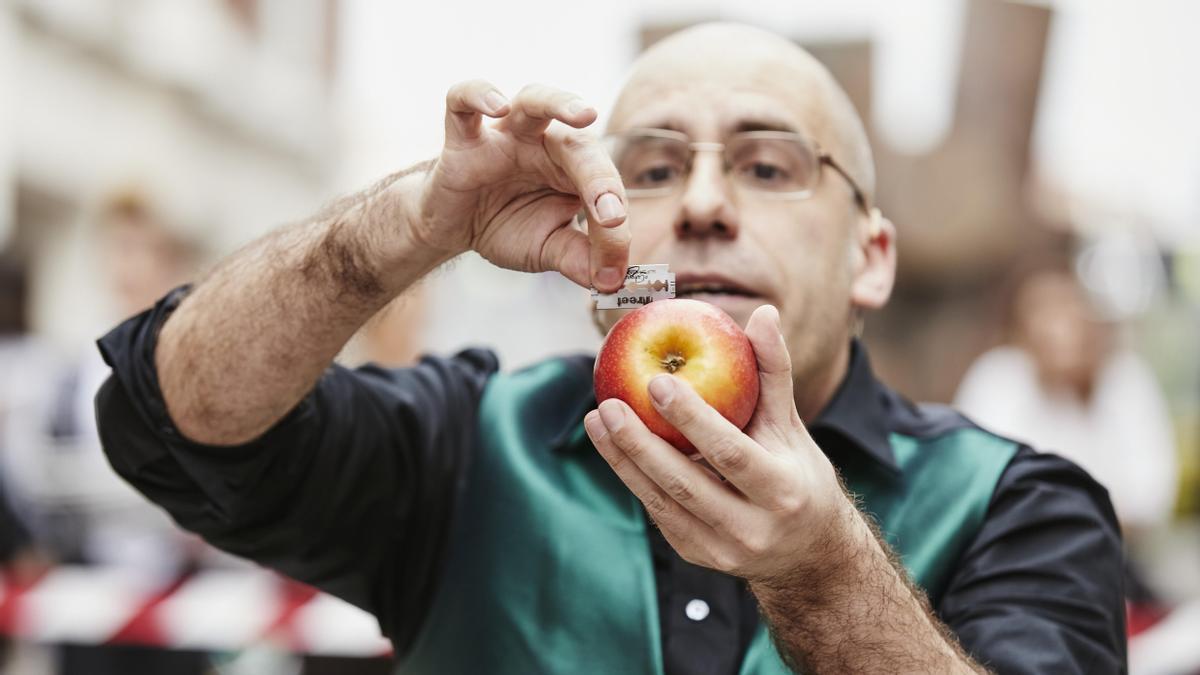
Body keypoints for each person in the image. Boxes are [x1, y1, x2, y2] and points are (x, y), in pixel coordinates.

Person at [93, 23, 1125, 674]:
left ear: (873, 257)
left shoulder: (1019, 505)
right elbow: (171, 418)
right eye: (657, 169)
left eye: (769, 169)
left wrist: (823, 573)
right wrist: (405, 228)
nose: (709, 205)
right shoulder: (468, 441)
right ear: (596, 219)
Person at [955, 268, 1178, 532]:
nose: (1058, 330)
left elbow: (1152, 493)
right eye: (1044, 314)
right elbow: (974, 480)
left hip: (1113, 550)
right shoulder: (999, 378)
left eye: (1069, 313)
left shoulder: (1124, 378)